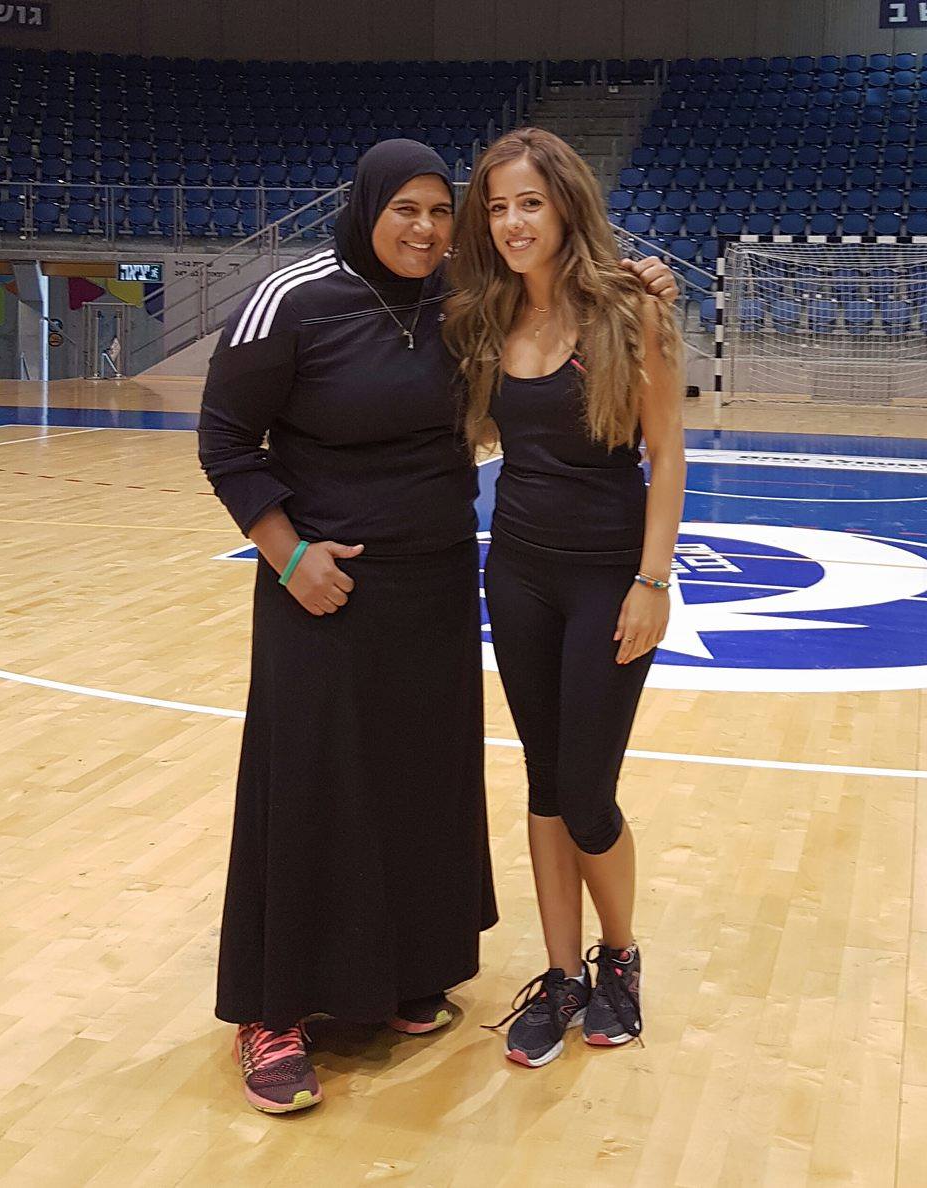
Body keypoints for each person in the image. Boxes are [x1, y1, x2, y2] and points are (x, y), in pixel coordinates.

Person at [198, 138, 679, 1111]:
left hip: (441, 582)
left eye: (436, 211)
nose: (425, 229)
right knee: (311, 785)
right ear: (367, 207)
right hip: (326, 588)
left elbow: (592, 375)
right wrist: (288, 554)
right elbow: (224, 439)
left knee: (419, 785)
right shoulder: (298, 299)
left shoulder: (464, 303)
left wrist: (642, 286)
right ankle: (273, 1011)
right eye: (405, 210)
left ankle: (403, 975)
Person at [444, 128, 686, 1068]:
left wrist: (652, 582)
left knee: (587, 794)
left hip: (608, 579)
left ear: (566, 206)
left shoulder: (628, 311)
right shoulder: (485, 315)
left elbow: (666, 453)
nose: (513, 222)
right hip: (518, 575)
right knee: (545, 784)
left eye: (530, 203)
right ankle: (559, 974)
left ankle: (618, 957)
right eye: (498, 206)